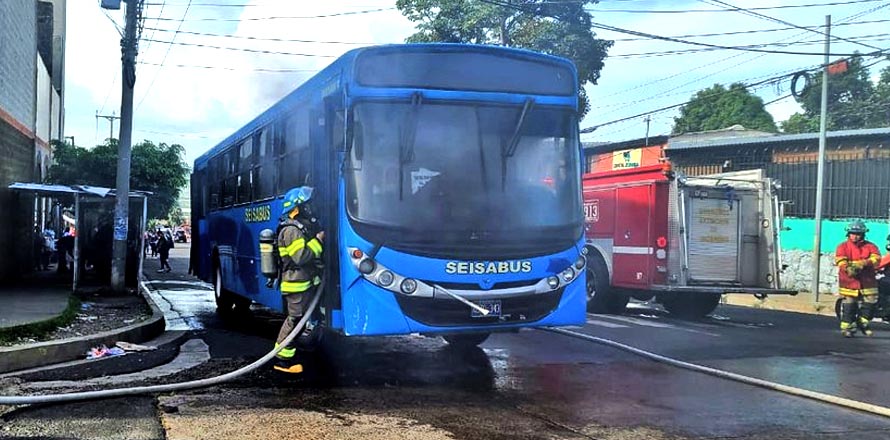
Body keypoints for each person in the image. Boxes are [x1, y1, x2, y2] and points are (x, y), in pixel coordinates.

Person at [272, 186, 323, 374]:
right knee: (295, 320)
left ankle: (297, 353)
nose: (310, 208)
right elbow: (300, 257)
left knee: (304, 319)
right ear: (297, 208)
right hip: (295, 284)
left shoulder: (298, 228)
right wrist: (318, 241)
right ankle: (282, 360)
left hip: (302, 282)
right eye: (306, 205)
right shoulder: (291, 230)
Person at [835, 220, 882, 337]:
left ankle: (862, 321)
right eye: (853, 233)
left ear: (863, 234)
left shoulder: (871, 246)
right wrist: (848, 268)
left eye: (858, 234)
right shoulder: (843, 246)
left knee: (871, 301)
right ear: (848, 234)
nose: (855, 236)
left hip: (867, 281)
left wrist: (864, 263)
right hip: (849, 281)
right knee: (849, 305)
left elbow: (876, 259)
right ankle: (847, 328)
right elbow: (840, 260)